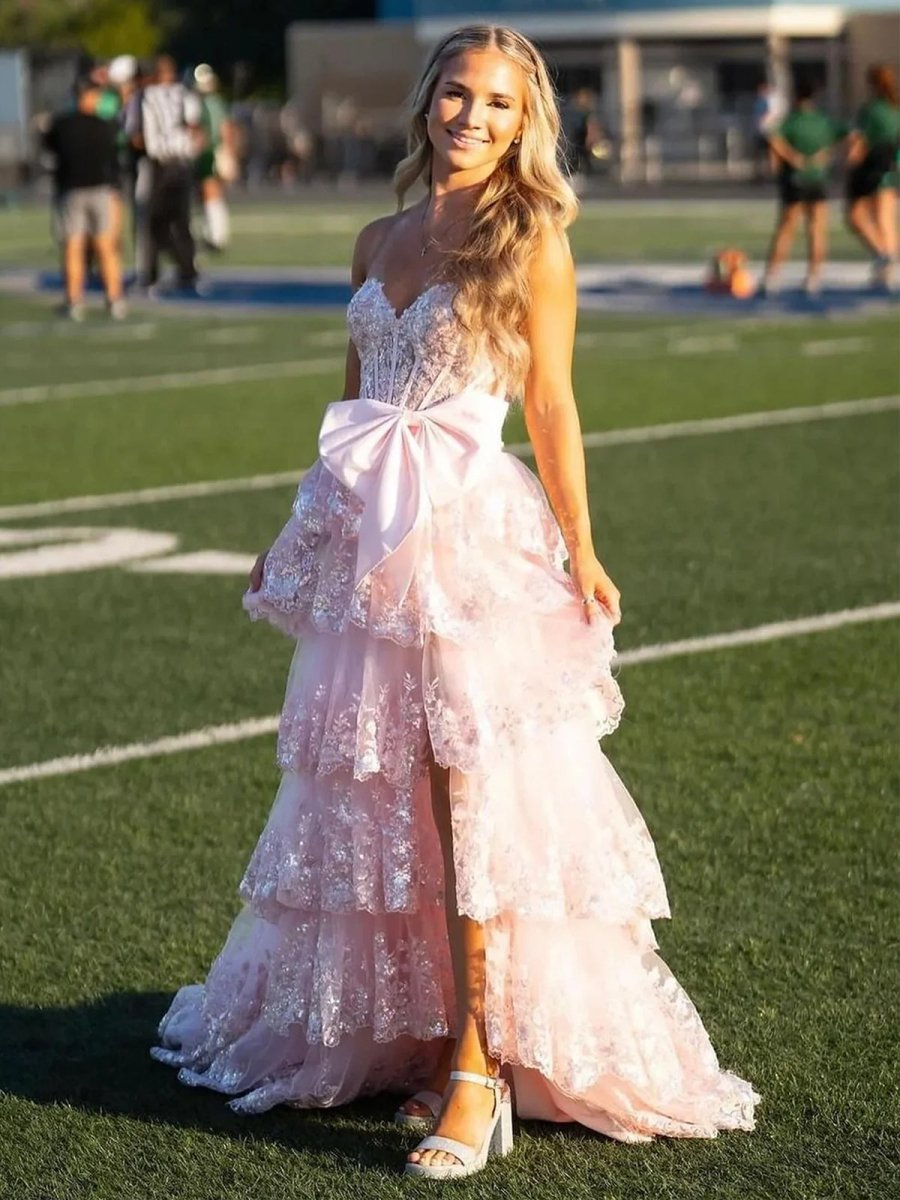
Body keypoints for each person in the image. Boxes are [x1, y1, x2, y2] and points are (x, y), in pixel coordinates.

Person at [151, 24, 759, 1180]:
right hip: (372, 558)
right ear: (426, 100)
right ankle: (431, 1037)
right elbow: (349, 417)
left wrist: (581, 550)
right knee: (384, 811)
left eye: (498, 103)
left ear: (524, 123)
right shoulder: (375, 238)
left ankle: (481, 1071)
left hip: (472, 545)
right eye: (457, 94)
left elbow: (555, 409)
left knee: (472, 806)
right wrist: (294, 539)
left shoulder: (528, 240)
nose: (472, 117)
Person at [44, 78, 125, 320]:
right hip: (100, 190)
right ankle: (114, 298)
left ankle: (75, 300)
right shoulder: (105, 126)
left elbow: (51, 154)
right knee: (104, 246)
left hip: (72, 191)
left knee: (74, 246)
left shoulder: (60, 125)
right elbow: (115, 160)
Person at [760, 77, 846, 296]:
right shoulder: (822, 121)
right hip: (817, 178)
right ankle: (814, 277)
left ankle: (772, 275)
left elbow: (772, 137)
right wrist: (826, 154)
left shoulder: (791, 120)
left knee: (786, 228)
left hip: (795, 179)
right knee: (817, 228)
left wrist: (791, 157)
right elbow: (848, 134)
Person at [130, 54, 202, 292]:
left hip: (158, 164)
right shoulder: (185, 96)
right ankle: (187, 270)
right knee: (181, 221)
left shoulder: (144, 97)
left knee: (153, 223)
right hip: (181, 163)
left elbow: (136, 136)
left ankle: (153, 273)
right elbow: (196, 131)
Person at [845, 64, 900, 290]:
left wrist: (850, 162)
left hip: (873, 167)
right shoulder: (895, 109)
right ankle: (887, 262)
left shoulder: (870, 110)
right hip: (893, 165)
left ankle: (884, 258)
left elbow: (858, 143)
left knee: (857, 215)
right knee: (886, 218)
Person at [192, 63, 237, 252]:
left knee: (210, 191)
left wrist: (228, 150)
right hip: (216, 150)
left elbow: (219, 129)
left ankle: (216, 235)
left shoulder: (206, 104)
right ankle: (216, 232)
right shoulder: (215, 102)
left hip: (211, 151)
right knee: (213, 193)